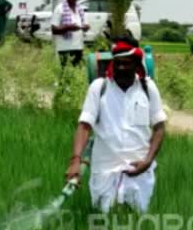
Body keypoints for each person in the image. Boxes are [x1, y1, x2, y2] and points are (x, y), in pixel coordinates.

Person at [65, 38, 168, 214]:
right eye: (117, 63)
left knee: (136, 222)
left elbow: (159, 127)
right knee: (104, 221)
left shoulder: (147, 88)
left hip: (139, 170)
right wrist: (75, 160)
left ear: (136, 64)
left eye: (126, 64)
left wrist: (148, 161)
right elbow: (84, 126)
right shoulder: (99, 88)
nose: (120, 68)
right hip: (105, 171)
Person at [50, 0, 89, 67]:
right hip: (65, 48)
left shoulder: (80, 9)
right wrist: (68, 27)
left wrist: (86, 27)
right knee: (66, 74)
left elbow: (84, 24)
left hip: (78, 47)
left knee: (77, 73)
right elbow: (54, 30)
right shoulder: (60, 8)